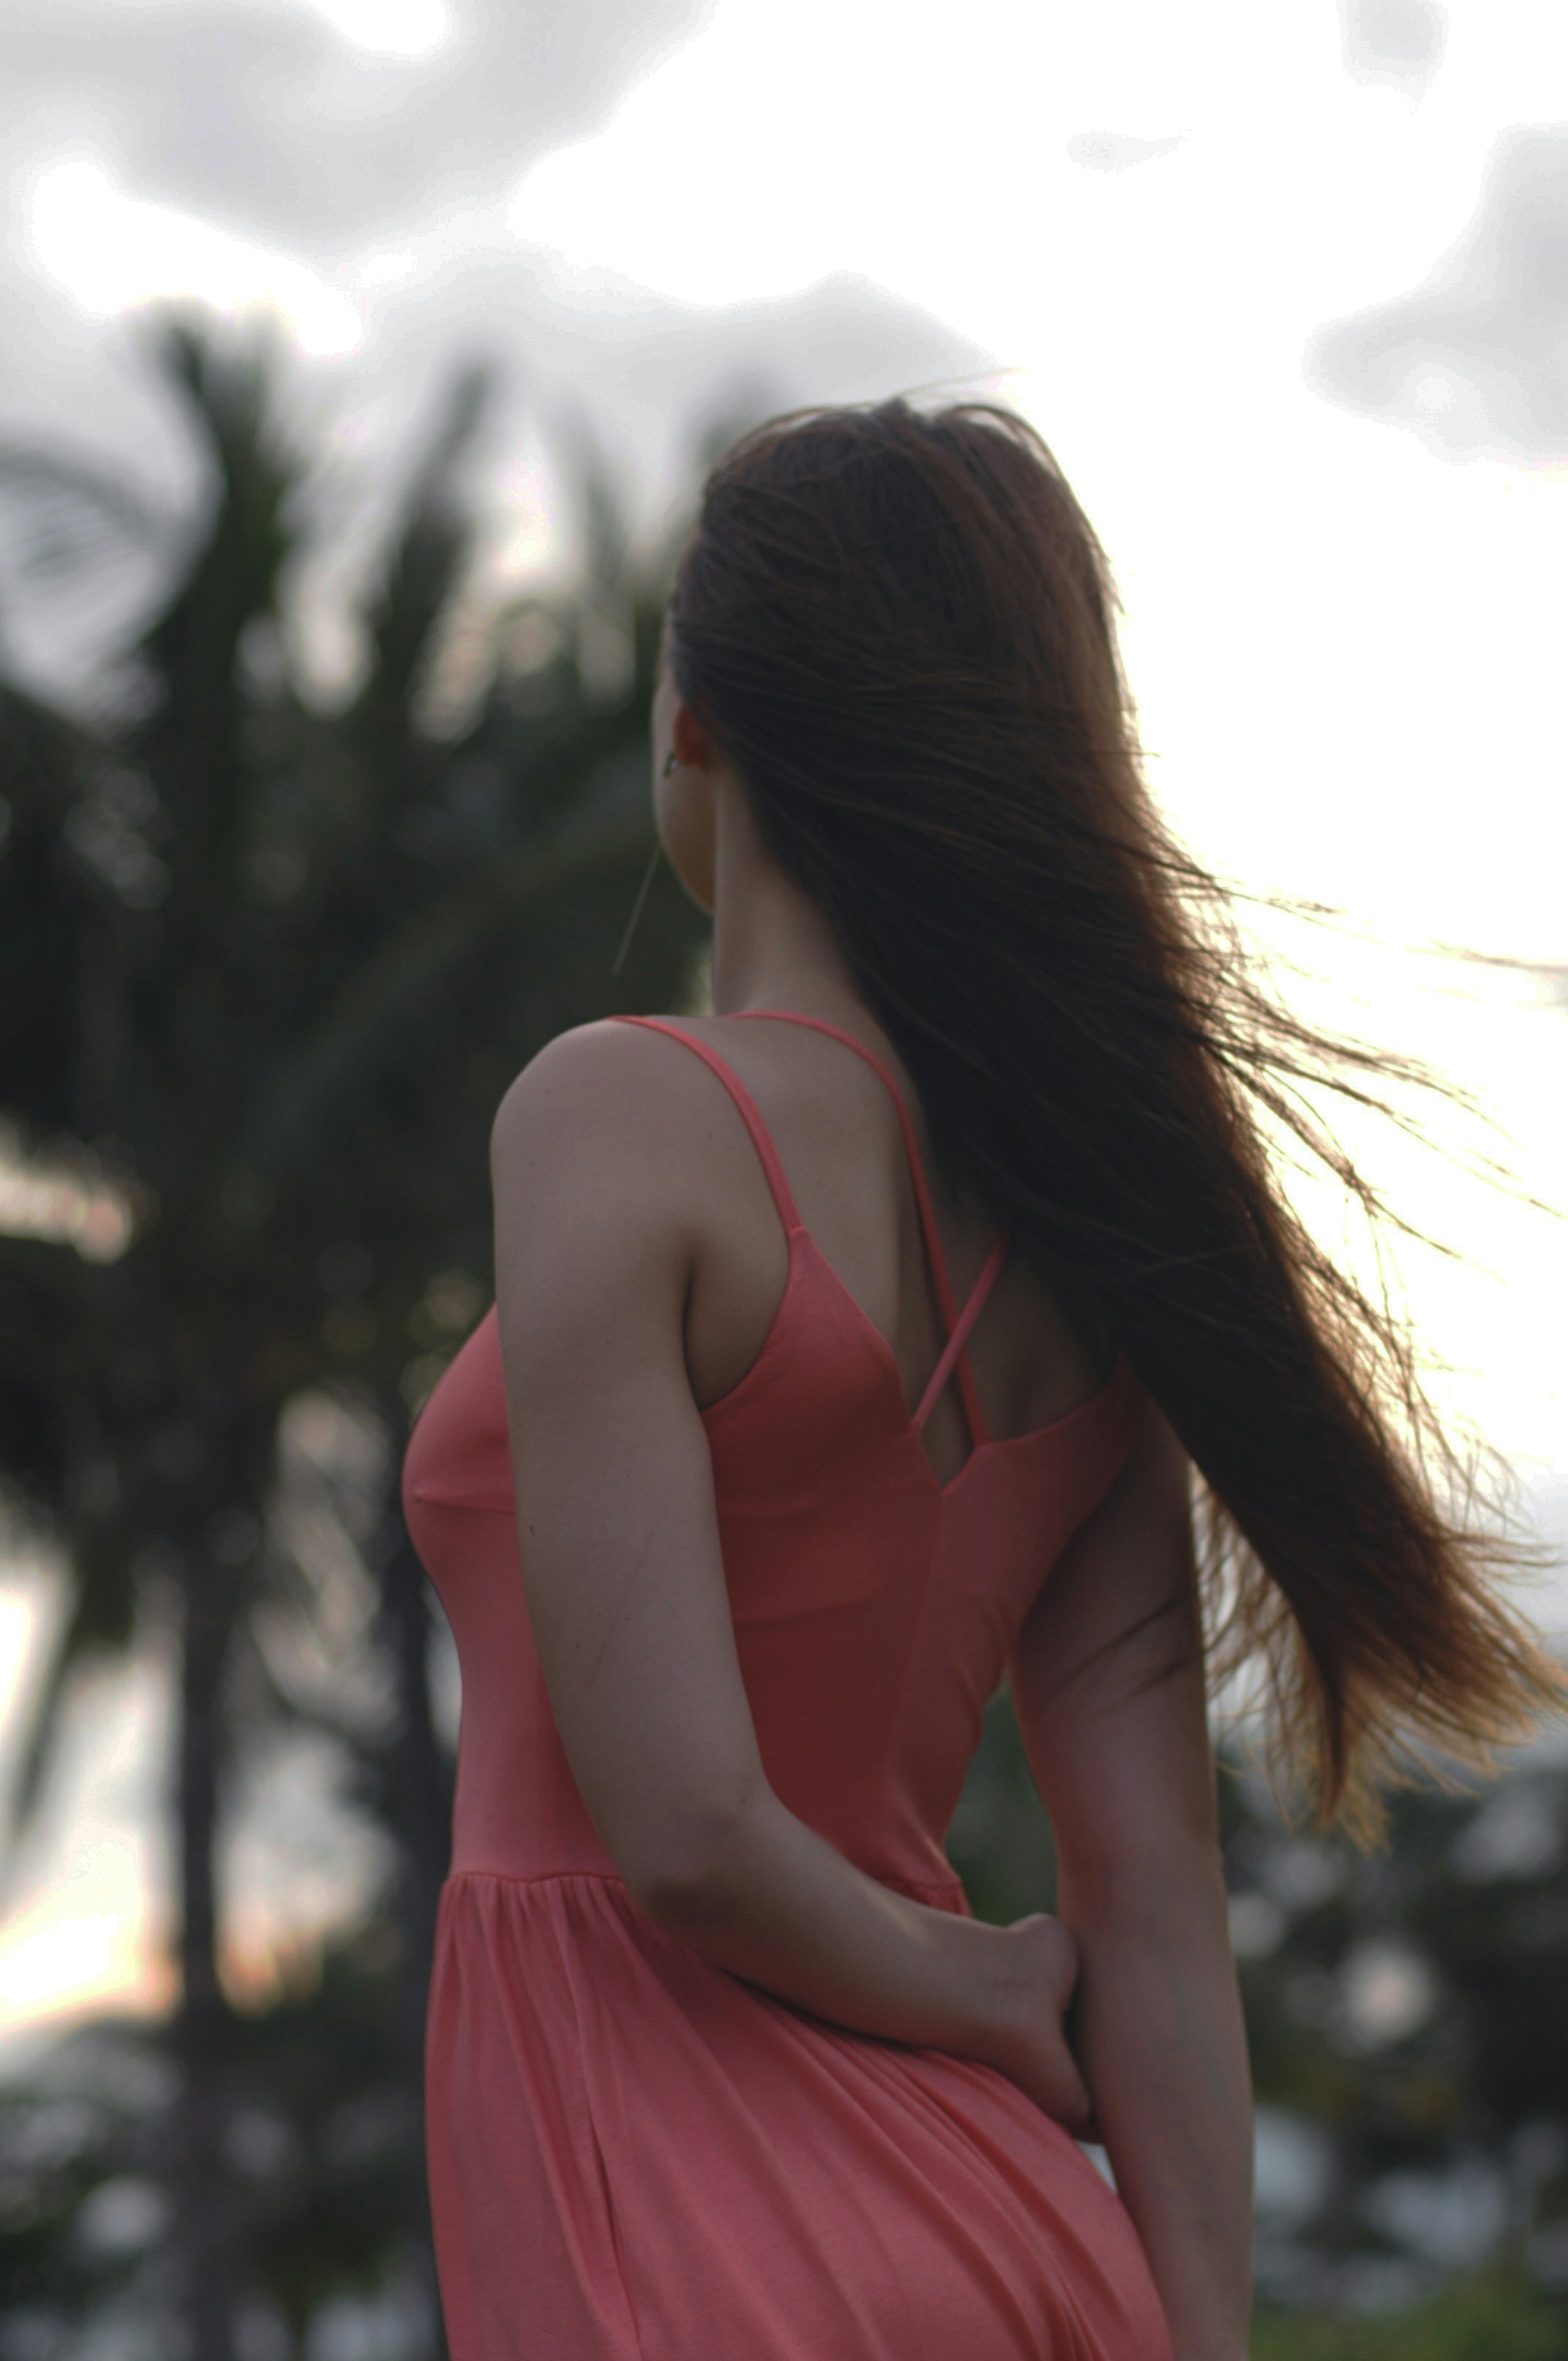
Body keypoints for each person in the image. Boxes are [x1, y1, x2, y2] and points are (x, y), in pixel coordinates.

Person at [402, 400, 1561, 2361]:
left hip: (686, 2223)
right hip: (1027, 2250)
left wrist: (985, 1992)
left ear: (697, 719)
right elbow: (1157, 1906)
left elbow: (683, 1834)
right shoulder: (1100, 1252)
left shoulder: (623, 1112)